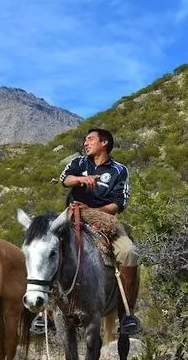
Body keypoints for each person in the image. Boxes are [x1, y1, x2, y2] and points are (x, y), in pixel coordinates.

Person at [59, 127, 141, 336]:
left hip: (103, 217)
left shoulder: (119, 170)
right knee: (45, 242)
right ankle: (45, 315)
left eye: (90, 139)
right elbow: (65, 179)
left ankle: (126, 315)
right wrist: (80, 180)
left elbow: (118, 203)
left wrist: (95, 212)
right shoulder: (79, 162)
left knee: (128, 253)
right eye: (85, 140)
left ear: (104, 143)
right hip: (73, 213)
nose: (85, 143)